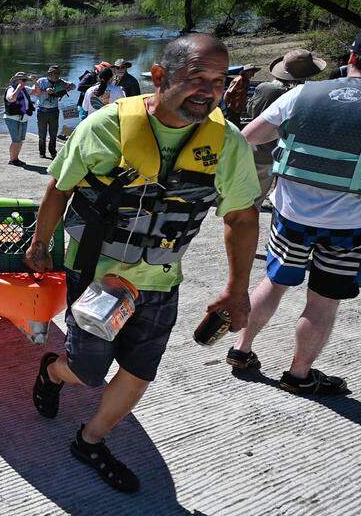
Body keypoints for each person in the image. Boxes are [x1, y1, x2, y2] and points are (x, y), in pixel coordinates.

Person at [24, 33, 260, 493]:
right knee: (87, 371)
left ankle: (90, 441)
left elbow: (241, 216)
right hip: (96, 277)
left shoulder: (227, 143)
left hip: (160, 280)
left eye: (218, 81)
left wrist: (237, 288)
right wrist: (40, 243)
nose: (210, 91)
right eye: (197, 79)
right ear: (159, 77)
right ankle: (53, 371)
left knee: (139, 369)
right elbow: (59, 187)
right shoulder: (103, 127)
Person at [228, 26, 361, 394]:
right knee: (323, 301)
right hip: (350, 228)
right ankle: (299, 376)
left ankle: (242, 350)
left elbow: (247, 138)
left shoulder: (303, 93)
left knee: (273, 282)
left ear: (351, 57)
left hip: (291, 218)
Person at [245, 50, 324, 206]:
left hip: (261, 152)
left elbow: (251, 110)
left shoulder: (265, 89)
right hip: (292, 155)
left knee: (252, 199)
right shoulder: (311, 95)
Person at [33, 65, 75, 159]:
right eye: (53, 73)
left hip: (54, 111)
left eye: (58, 73)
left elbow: (74, 86)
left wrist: (67, 87)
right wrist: (45, 91)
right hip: (42, 111)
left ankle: (53, 152)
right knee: (42, 134)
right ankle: (42, 152)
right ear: (49, 73)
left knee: (53, 134)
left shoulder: (61, 82)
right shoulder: (41, 81)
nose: (56, 75)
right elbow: (34, 92)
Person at [4, 72, 35, 166]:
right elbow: (11, 99)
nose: (25, 83)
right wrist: (18, 88)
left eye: (26, 81)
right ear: (16, 80)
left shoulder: (24, 89)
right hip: (12, 118)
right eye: (23, 80)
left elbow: (37, 92)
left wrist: (35, 82)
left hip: (23, 118)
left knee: (20, 140)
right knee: (16, 140)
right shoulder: (11, 89)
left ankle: (16, 158)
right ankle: (12, 160)